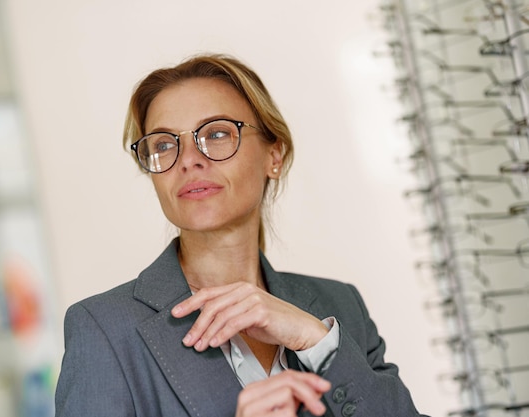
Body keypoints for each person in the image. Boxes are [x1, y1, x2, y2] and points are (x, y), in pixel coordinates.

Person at [55, 53, 427, 417]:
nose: (187, 160)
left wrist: (315, 341)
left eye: (216, 134)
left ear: (274, 156)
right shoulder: (104, 329)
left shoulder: (338, 308)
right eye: (164, 144)